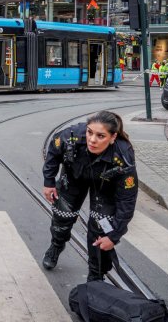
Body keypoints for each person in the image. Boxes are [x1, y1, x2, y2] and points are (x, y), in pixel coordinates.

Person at [41, 111, 139, 282]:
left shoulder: (123, 156)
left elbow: (127, 200)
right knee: (62, 217)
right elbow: (54, 151)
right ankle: (56, 245)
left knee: (102, 229)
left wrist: (114, 236)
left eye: (101, 136)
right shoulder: (71, 136)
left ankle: (96, 273)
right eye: (89, 132)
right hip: (74, 176)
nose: (92, 140)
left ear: (113, 137)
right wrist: (49, 181)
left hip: (105, 184)